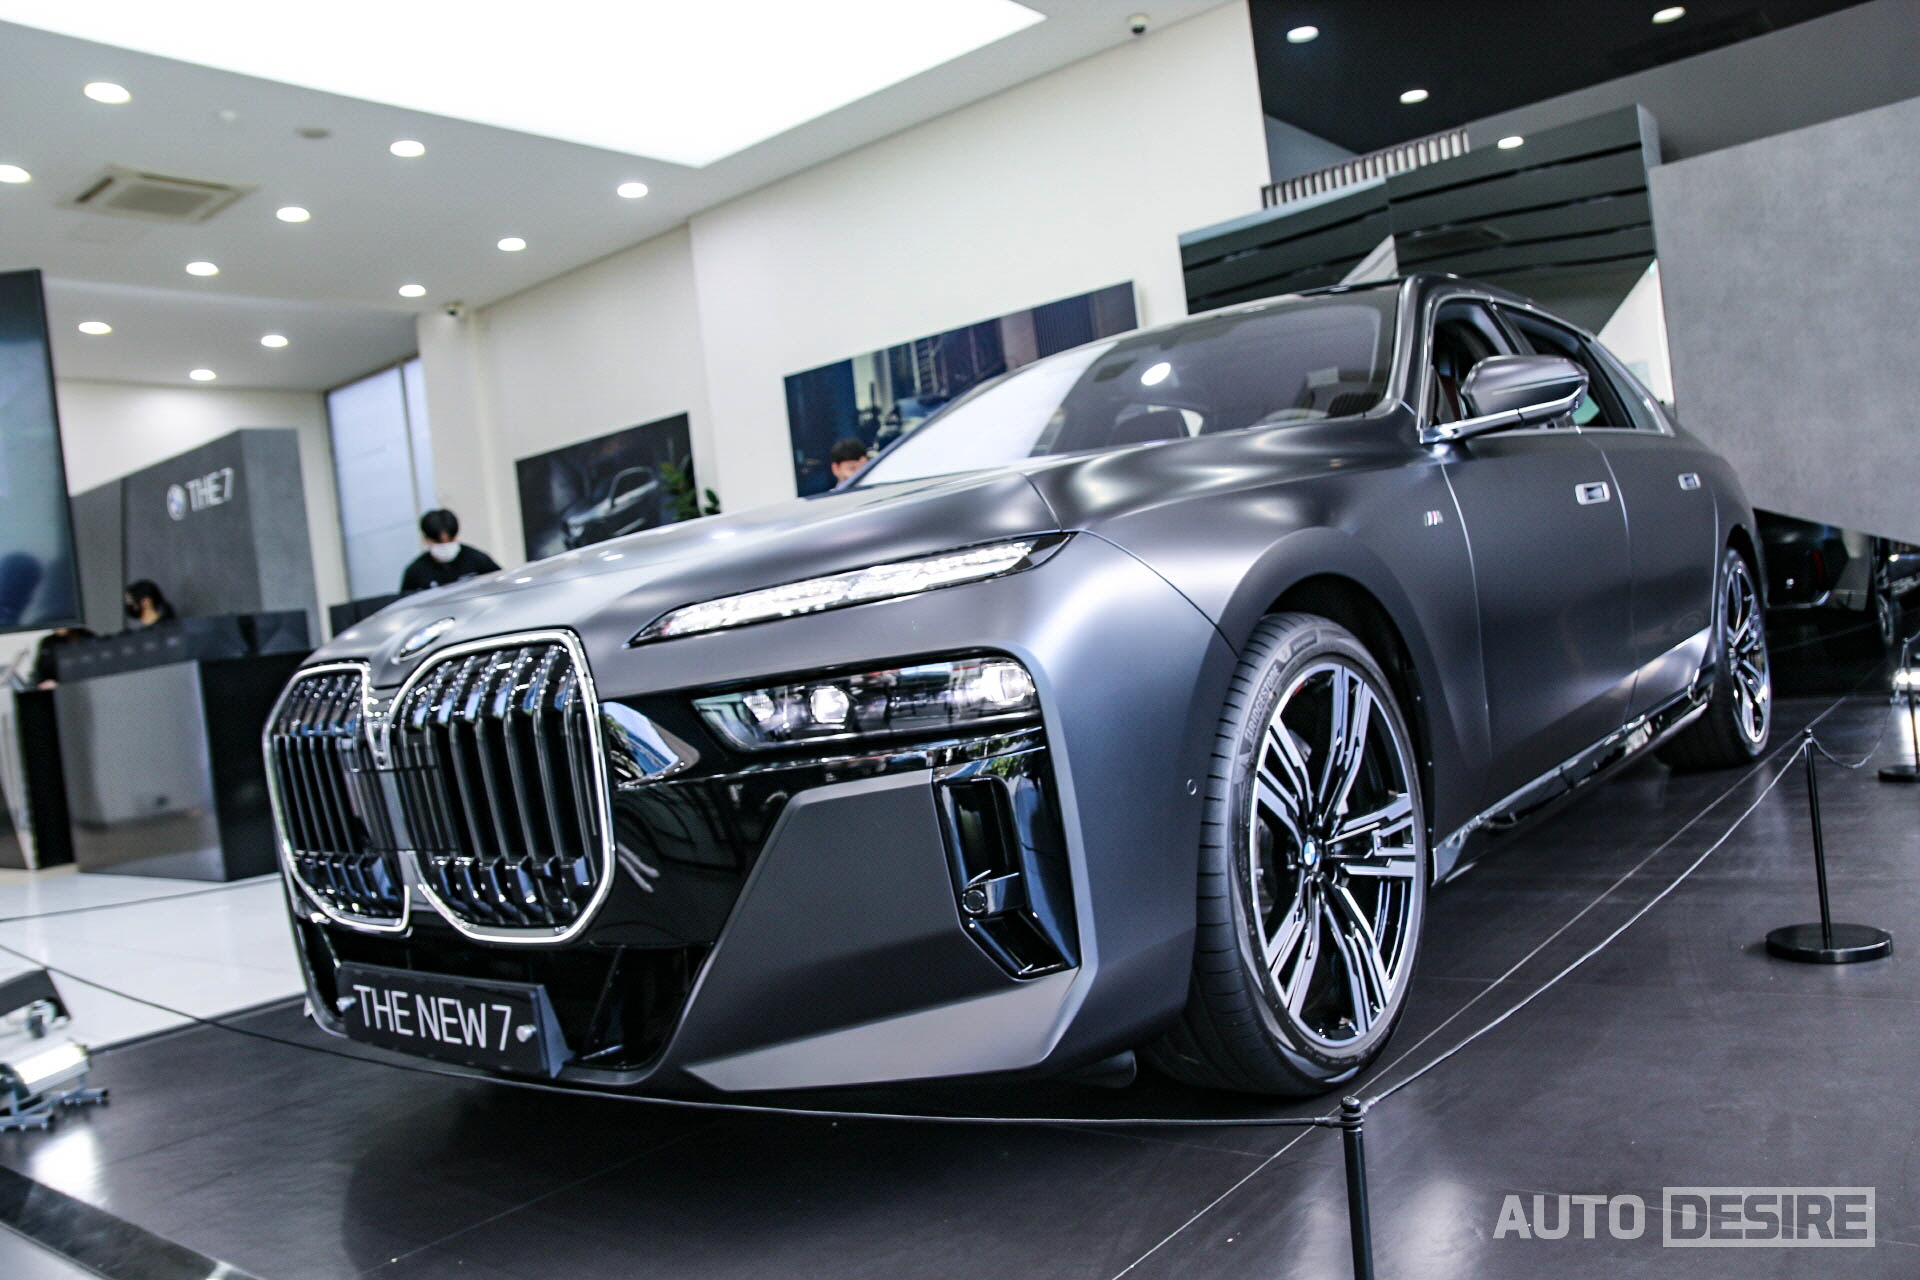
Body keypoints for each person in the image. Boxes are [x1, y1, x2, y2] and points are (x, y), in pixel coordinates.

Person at [401, 509, 501, 593]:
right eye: (438, 542)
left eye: (450, 540)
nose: (445, 546)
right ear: (426, 539)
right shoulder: (415, 572)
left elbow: (501, 585)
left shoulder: (478, 560)